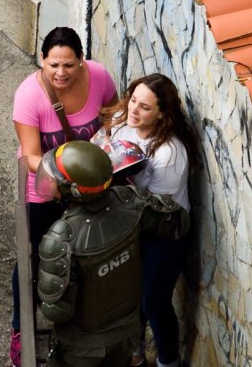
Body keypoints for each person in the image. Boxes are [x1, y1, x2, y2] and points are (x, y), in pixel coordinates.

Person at [10, 26, 118, 365]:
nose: (61, 72)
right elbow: (30, 156)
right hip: (45, 189)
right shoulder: (29, 96)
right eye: (53, 64)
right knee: (34, 256)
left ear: (82, 61)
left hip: (89, 186)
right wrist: (66, 182)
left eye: (69, 65)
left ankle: (78, 321)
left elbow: (113, 113)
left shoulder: (99, 76)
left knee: (86, 254)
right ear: (42, 60)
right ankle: (20, 329)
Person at [35, 140, 190, 367]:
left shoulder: (61, 238)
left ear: (74, 191)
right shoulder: (130, 201)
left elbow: (57, 311)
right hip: (127, 333)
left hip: (83, 348)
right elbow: (178, 222)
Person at [98, 73, 199, 367]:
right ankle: (136, 354)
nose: (133, 110)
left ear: (161, 114)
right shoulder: (123, 125)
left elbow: (156, 208)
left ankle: (168, 361)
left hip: (166, 231)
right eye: (133, 100)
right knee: (130, 297)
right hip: (133, 223)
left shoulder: (169, 152)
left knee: (153, 302)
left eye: (144, 107)